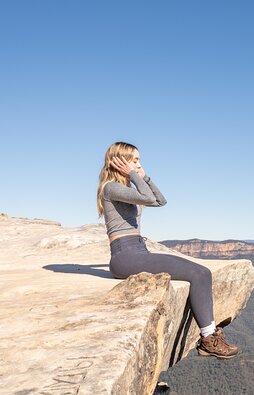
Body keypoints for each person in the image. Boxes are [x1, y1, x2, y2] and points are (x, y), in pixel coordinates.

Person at [97, 141, 238, 359]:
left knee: (202, 273)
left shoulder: (124, 188)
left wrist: (145, 177)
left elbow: (161, 201)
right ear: (120, 161)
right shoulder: (110, 188)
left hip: (138, 251)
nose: (139, 164)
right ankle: (208, 339)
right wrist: (135, 176)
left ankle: (209, 338)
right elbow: (148, 199)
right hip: (125, 255)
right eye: (134, 160)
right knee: (200, 274)